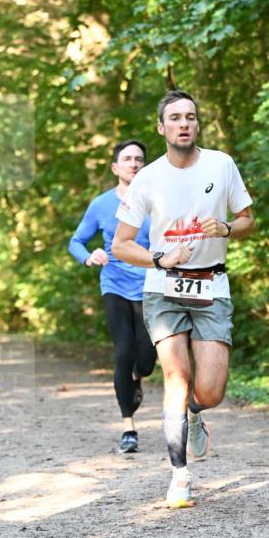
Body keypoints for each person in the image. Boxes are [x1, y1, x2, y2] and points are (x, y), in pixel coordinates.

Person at [112, 90, 254, 507]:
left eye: (190, 116)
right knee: (175, 376)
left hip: (212, 285)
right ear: (162, 128)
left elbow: (248, 220)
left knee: (210, 391)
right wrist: (160, 257)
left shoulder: (221, 165)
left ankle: (195, 412)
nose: (184, 123)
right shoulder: (147, 178)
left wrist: (226, 229)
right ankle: (179, 475)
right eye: (174, 117)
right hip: (163, 288)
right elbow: (122, 245)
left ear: (197, 124)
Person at [68, 140, 157, 454]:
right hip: (115, 285)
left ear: (145, 167)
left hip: (151, 285)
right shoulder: (102, 204)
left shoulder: (157, 200)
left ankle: (137, 376)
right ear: (116, 168)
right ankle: (128, 428)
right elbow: (76, 241)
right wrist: (89, 255)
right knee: (123, 352)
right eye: (127, 159)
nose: (134, 164)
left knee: (146, 361)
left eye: (139, 159)